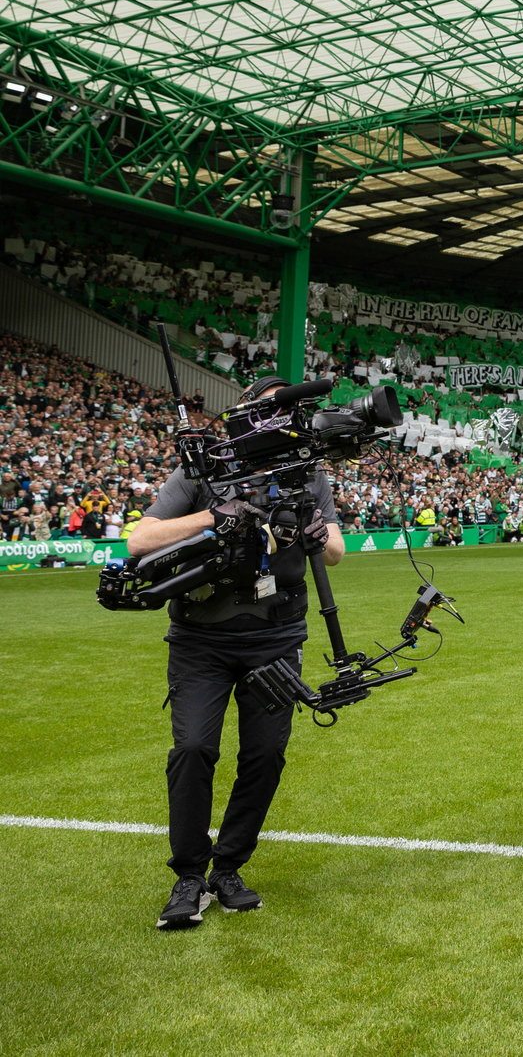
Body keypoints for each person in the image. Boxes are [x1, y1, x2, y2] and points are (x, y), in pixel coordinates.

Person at [127, 375, 344, 931]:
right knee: (194, 748)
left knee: (265, 754)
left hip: (275, 637)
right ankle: (189, 875)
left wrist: (317, 535)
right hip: (201, 638)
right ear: (247, 413)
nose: (280, 420)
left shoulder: (306, 472)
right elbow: (140, 540)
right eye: (268, 410)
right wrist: (214, 518)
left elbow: (337, 551)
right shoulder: (203, 467)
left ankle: (228, 867)